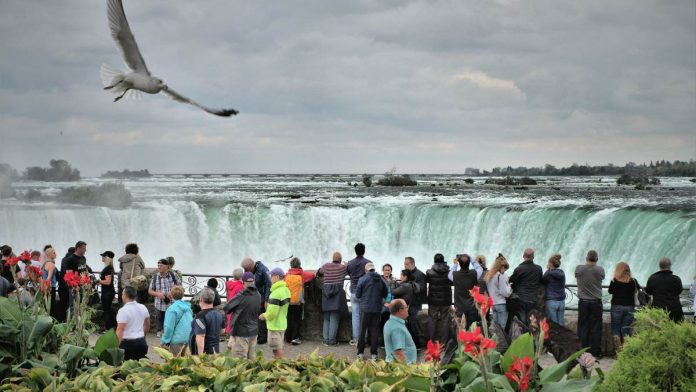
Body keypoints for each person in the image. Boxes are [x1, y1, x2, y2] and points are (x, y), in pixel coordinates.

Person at [224, 272, 263, 359]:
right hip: (254, 331)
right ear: (253, 281)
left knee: (240, 362)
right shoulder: (258, 295)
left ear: (243, 282)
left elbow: (227, 308)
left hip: (241, 332)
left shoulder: (241, 295)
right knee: (251, 360)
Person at [575, 250, 605, 357]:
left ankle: (582, 351)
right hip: (596, 302)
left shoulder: (579, 268)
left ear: (586, 258)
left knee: (582, 326)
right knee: (596, 327)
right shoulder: (600, 270)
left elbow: (577, 276)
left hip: (583, 302)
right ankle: (595, 352)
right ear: (596, 259)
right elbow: (601, 278)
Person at [355, 262, 388, 360]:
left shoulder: (362, 279)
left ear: (366, 270)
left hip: (365, 309)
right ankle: (374, 354)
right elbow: (385, 293)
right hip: (377, 309)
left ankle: (360, 353)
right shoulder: (381, 279)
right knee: (375, 331)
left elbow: (357, 295)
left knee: (362, 330)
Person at [259, 268, 291, 358]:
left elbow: (272, 312)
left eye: (271, 276)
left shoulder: (275, 293)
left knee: (277, 350)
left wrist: (264, 315)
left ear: (276, 277)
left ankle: (281, 366)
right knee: (279, 347)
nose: (270, 278)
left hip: (275, 325)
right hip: (282, 323)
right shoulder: (286, 290)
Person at [608, 262, 639, 352]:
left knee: (616, 329)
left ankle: (618, 352)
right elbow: (637, 291)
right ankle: (626, 351)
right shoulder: (633, 281)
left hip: (617, 307)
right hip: (629, 307)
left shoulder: (614, 280)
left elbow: (610, 291)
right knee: (625, 328)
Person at [284, 257, 315, 345]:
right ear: (299, 265)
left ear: (291, 265)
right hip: (298, 302)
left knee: (289, 319)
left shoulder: (287, 275)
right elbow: (312, 276)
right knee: (297, 320)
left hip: (288, 301)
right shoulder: (302, 274)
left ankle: (288, 338)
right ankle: (295, 338)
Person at [148, 258, 182, 337]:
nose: (159, 267)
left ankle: (169, 332)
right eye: (158, 266)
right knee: (159, 318)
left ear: (167, 266)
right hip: (159, 303)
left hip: (171, 302)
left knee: (171, 318)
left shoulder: (173, 275)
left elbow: (180, 286)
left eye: (161, 266)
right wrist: (157, 294)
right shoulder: (155, 277)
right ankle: (159, 331)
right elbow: (150, 291)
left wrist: (172, 292)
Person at [242, 257, 272, 344]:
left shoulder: (263, 270)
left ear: (251, 267)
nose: (246, 271)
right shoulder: (253, 270)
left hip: (262, 297)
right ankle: (258, 334)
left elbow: (268, 285)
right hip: (254, 296)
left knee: (260, 316)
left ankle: (263, 337)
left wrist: (266, 299)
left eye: (246, 270)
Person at [320, 251, 348, 346]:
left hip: (326, 294)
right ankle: (332, 341)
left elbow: (319, 272)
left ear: (332, 258)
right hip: (337, 295)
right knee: (334, 318)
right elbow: (350, 271)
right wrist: (346, 264)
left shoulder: (326, 266)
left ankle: (325, 340)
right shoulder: (343, 268)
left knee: (327, 318)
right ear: (340, 260)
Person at [509, 248, 543, 326]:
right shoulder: (538, 268)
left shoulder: (519, 269)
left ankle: (523, 335)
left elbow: (513, 281)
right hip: (534, 299)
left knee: (522, 320)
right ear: (533, 257)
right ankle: (532, 336)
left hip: (521, 299)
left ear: (523, 256)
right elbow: (540, 281)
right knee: (532, 320)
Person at [116, 286, 150, 361]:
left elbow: (120, 329)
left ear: (125, 295)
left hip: (128, 344)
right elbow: (147, 325)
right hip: (141, 342)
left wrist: (116, 345)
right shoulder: (143, 307)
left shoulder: (123, 310)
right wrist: (143, 336)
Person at [346, 243, 371, 346]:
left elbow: (347, 273)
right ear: (364, 251)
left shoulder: (350, 263)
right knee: (364, 316)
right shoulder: (368, 263)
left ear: (355, 251)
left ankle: (356, 338)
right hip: (364, 293)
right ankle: (363, 338)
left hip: (353, 292)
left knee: (355, 316)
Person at [646, 257, 684, 323]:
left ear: (660, 266)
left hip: (658, 310)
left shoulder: (652, 278)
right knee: (676, 330)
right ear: (670, 266)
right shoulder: (676, 279)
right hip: (675, 310)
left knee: (659, 330)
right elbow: (679, 291)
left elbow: (648, 291)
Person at [426, 253, 452, 344]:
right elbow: (452, 283)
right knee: (445, 320)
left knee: (432, 320)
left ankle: (431, 341)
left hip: (433, 301)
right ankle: (444, 342)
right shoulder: (449, 272)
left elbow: (429, 281)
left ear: (434, 261)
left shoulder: (429, 272)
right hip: (446, 301)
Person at [160, 285, 193, 356]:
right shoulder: (188, 307)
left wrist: (165, 341)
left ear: (171, 295)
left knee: (175, 364)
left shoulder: (172, 309)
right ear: (182, 295)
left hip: (176, 340)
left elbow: (169, 327)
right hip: (188, 339)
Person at [191, 287, 226, 355]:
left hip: (205, 353)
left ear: (201, 299)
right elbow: (222, 331)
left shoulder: (200, 316)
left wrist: (200, 357)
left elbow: (201, 336)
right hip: (216, 350)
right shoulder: (219, 314)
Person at [383, 299, 417, 364]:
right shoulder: (397, 328)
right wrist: (410, 367)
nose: (407, 309)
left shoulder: (390, 322)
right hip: (402, 369)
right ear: (400, 310)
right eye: (406, 307)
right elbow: (399, 353)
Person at [449, 254, 478, 329]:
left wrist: (455, 264)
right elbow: (480, 269)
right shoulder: (474, 273)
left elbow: (449, 275)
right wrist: (471, 258)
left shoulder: (455, 275)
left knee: (461, 329)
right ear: (469, 263)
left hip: (459, 307)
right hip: (472, 306)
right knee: (472, 329)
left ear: (459, 263)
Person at [404, 256, 426, 347]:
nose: (405, 266)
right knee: (407, 323)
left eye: (407, 264)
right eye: (404, 264)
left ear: (412, 264)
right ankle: (409, 343)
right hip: (407, 302)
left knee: (412, 323)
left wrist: (410, 285)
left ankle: (416, 345)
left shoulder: (420, 274)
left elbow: (422, 288)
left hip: (415, 302)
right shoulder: (406, 273)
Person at [485, 254, 512, 328]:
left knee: (495, 328)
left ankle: (493, 339)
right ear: (502, 267)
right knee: (501, 329)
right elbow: (505, 293)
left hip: (493, 304)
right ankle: (500, 340)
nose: (504, 271)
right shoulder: (501, 276)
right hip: (501, 304)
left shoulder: (489, 275)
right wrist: (510, 288)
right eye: (505, 269)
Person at [542, 254, 566, 326]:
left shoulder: (548, 273)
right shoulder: (562, 273)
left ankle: (556, 337)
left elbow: (542, 282)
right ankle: (563, 337)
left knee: (553, 325)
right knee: (561, 324)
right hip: (561, 301)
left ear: (551, 264)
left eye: (548, 262)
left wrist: (547, 270)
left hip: (551, 301)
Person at [99, 251, 117, 330]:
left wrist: (98, 281)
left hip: (107, 292)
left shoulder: (108, 268)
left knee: (106, 310)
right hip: (108, 291)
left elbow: (108, 282)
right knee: (107, 309)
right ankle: (110, 326)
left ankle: (108, 327)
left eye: (103, 256)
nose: (102, 257)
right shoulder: (109, 267)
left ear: (107, 258)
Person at [225, 268, 245, 335]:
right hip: (237, 306)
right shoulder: (240, 286)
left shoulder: (229, 284)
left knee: (230, 319)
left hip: (230, 304)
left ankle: (229, 335)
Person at [41, 246, 58, 317]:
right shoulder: (50, 264)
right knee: (50, 308)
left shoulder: (44, 263)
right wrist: (48, 288)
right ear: (50, 254)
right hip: (50, 288)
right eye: (54, 252)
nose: (55, 254)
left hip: (44, 288)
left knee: (46, 307)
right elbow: (48, 278)